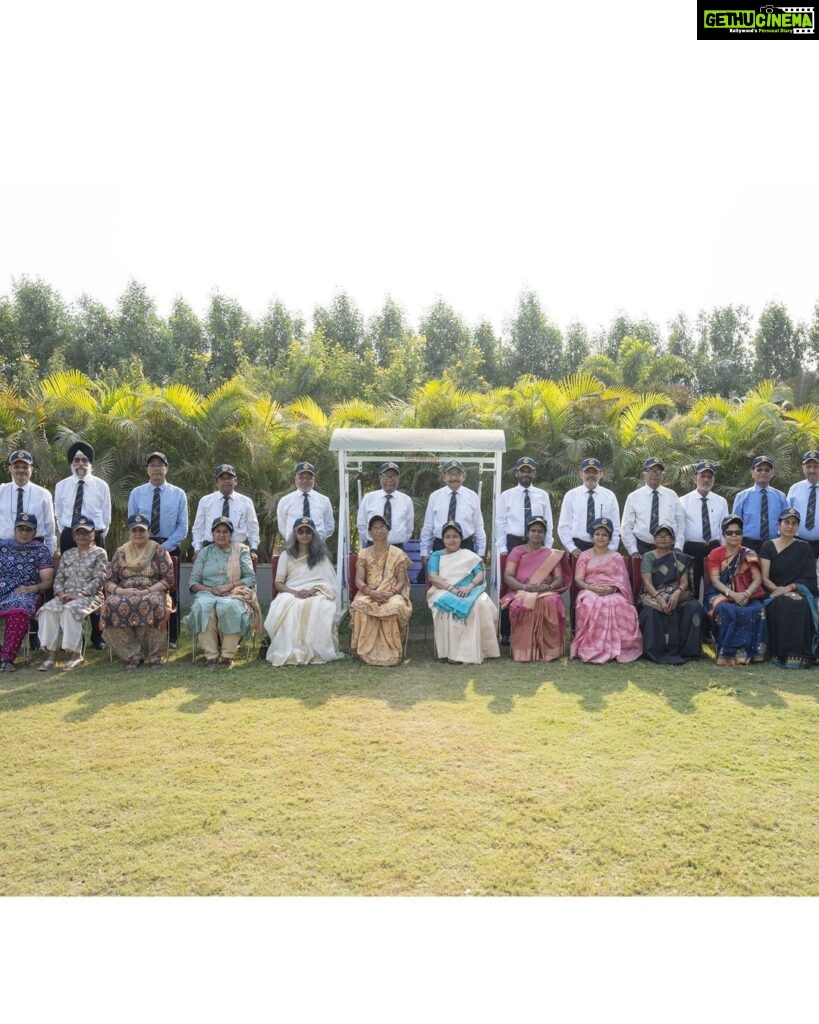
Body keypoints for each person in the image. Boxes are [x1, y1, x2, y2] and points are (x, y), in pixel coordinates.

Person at [53, 441, 111, 649]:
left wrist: (97, 536)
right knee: (70, 582)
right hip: (69, 536)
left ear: (90, 463)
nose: (80, 463)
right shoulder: (61, 486)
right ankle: (74, 637)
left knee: (97, 585)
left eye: (84, 460)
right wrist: (67, 533)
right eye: (77, 460)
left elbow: (106, 515)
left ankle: (98, 635)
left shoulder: (101, 485)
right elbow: (58, 514)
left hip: (96, 535)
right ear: (71, 463)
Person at [101, 512, 176, 670]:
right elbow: (108, 581)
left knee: (153, 602)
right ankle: (132, 655)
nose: (138, 534)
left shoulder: (159, 551)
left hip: (153, 590)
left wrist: (147, 590)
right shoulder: (121, 551)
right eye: (134, 530)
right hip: (125, 592)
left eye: (142, 530)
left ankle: (155, 655)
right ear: (129, 532)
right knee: (110, 605)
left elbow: (169, 580)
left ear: (148, 532)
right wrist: (122, 592)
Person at [127, 452, 188, 645]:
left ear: (166, 469)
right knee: (141, 587)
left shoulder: (178, 494)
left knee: (171, 591)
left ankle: (172, 637)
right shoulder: (137, 493)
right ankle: (144, 636)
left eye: (160, 465)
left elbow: (182, 527)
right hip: (141, 546)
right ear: (147, 470)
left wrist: (162, 548)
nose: (156, 469)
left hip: (169, 547)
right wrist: (145, 545)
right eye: (152, 465)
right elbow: (132, 523)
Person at [184, 516, 260, 668]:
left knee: (230, 607)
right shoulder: (204, 553)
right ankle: (210, 656)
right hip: (207, 592)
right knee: (202, 608)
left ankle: (227, 656)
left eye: (225, 532)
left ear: (230, 535)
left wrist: (228, 587)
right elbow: (193, 583)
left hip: (234, 591)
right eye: (217, 531)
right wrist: (210, 589)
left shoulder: (241, 551)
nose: (221, 535)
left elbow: (251, 578)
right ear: (212, 534)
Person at [264, 516, 340, 666]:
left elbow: (329, 582)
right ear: (295, 534)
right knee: (287, 604)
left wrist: (313, 590)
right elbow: (278, 583)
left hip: (317, 591)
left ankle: (315, 652)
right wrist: (294, 592)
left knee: (320, 606)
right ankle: (291, 651)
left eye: (308, 531)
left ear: (313, 535)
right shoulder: (286, 555)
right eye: (301, 531)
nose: (304, 534)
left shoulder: (321, 556)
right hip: (291, 591)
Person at [37, 516, 107, 672]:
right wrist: (60, 593)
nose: (82, 536)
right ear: (73, 536)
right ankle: (50, 656)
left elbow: (100, 578)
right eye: (78, 533)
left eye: (86, 532)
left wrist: (81, 594)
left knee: (70, 610)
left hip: (90, 596)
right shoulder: (68, 554)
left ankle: (76, 655)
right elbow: (59, 577)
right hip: (65, 595)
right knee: (47, 610)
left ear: (93, 534)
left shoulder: (99, 553)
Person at [495, 456, 553, 644]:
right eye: (522, 470)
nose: (525, 474)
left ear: (534, 473)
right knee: (509, 586)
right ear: (516, 473)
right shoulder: (507, 495)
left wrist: (548, 548)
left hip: (537, 544)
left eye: (529, 470)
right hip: (513, 543)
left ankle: (533, 628)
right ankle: (506, 632)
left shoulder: (542, 495)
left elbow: (549, 522)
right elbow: (501, 523)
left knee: (536, 583)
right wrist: (503, 547)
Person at [426, 520, 499, 665]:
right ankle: (454, 653)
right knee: (451, 605)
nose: (452, 540)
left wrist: (469, 587)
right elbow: (433, 577)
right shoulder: (436, 556)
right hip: (442, 589)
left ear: (461, 538)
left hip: (469, 589)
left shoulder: (469, 555)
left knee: (481, 604)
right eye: (448, 536)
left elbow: (479, 574)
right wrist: (452, 589)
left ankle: (481, 651)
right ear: (443, 539)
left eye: (455, 536)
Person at [570, 517, 642, 664]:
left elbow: (622, 580)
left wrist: (612, 589)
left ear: (609, 538)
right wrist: (592, 588)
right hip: (589, 590)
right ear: (592, 536)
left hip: (613, 591)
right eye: (597, 534)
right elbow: (578, 580)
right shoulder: (585, 555)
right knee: (590, 602)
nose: (600, 537)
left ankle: (619, 647)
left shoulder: (615, 557)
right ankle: (593, 647)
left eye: (604, 534)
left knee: (621, 604)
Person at [500, 516, 568, 663]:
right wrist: (524, 587)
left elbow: (558, 579)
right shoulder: (517, 551)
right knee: (523, 602)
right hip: (522, 590)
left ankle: (549, 651)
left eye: (540, 531)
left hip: (546, 591)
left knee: (550, 600)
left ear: (545, 534)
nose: (536, 534)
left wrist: (548, 587)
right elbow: (508, 576)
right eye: (533, 531)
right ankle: (525, 651)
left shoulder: (551, 554)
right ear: (528, 533)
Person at [703, 514, 767, 666]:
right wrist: (732, 594)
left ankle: (755, 653)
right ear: (723, 535)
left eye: (737, 532)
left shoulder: (749, 553)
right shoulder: (716, 553)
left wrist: (746, 594)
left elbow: (757, 579)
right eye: (729, 533)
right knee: (727, 609)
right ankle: (727, 654)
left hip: (746, 593)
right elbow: (715, 580)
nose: (734, 536)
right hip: (719, 592)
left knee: (758, 609)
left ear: (742, 534)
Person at [759, 507, 819, 669]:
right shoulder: (768, 546)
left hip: (799, 591)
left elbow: (809, 578)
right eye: (786, 522)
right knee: (785, 605)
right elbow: (764, 578)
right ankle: (781, 654)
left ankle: (800, 655)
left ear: (797, 527)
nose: (790, 526)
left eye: (794, 523)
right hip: (772, 593)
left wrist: (790, 589)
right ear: (779, 524)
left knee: (800, 604)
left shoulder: (804, 548)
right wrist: (780, 592)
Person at [350, 514, 412, 666]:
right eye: (375, 528)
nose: (379, 530)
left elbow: (401, 581)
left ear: (388, 530)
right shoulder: (364, 553)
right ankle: (365, 650)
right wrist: (371, 592)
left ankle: (392, 650)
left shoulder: (397, 553)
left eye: (382, 527)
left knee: (395, 606)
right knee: (360, 606)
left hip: (391, 592)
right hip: (368, 591)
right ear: (370, 532)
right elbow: (358, 580)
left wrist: (390, 593)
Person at [638, 523, 704, 664]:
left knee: (694, 607)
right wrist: (660, 599)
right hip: (654, 595)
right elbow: (647, 583)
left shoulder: (680, 558)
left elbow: (685, 582)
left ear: (673, 540)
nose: (663, 538)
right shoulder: (648, 557)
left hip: (677, 594)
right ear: (654, 540)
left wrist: (677, 594)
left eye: (667, 535)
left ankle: (689, 651)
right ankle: (656, 651)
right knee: (651, 612)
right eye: (659, 536)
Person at [0, 513, 54, 671]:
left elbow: (47, 581)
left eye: (28, 530)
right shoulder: (2, 546)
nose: (24, 533)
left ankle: (6, 658)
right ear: (15, 529)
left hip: (27, 592)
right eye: (20, 529)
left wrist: (33, 588)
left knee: (20, 609)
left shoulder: (40, 550)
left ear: (35, 532)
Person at [191, 464, 261, 568]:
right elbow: (198, 528)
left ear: (236, 481)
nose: (226, 481)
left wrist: (253, 549)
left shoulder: (246, 502)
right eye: (222, 478)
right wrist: (197, 550)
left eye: (229, 478)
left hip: (237, 550)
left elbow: (253, 528)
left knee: (237, 582)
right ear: (216, 482)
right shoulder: (205, 501)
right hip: (210, 550)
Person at [679, 460, 729, 601]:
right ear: (695, 478)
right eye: (703, 476)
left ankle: (711, 618)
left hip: (714, 549)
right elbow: (680, 529)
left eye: (709, 477)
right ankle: (694, 619)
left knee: (714, 585)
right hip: (691, 550)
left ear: (713, 480)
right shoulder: (682, 501)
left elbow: (724, 529)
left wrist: (726, 551)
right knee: (692, 586)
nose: (706, 479)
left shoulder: (721, 501)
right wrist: (678, 550)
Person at [420, 460, 486, 562]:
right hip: (440, 545)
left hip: (465, 545)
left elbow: (478, 526)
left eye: (458, 474)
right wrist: (424, 551)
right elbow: (428, 525)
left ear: (463, 476)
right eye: (450, 474)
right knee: (439, 577)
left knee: (465, 577)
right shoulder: (435, 496)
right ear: (444, 477)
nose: (454, 478)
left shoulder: (472, 496)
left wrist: (481, 551)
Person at [621, 457, 686, 557]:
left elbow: (681, 524)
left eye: (659, 471)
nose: (655, 474)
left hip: (668, 549)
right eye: (651, 471)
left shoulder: (672, 495)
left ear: (663, 475)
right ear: (644, 474)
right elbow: (626, 527)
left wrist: (678, 547)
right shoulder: (633, 497)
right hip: (642, 549)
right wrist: (633, 550)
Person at [557, 457, 621, 556]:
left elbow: (616, 527)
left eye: (594, 472)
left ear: (600, 474)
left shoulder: (609, 496)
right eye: (587, 471)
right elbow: (564, 526)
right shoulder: (571, 496)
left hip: (602, 548)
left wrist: (610, 550)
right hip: (577, 548)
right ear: (581, 474)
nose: (591, 475)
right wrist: (572, 548)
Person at [0, 450, 57, 554]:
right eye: (16, 467)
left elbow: (49, 526)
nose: (21, 470)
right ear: (10, 469)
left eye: (25, 467)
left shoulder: (43, 494)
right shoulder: (1, 491)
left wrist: (49, 553)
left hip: (34, 550)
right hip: (4, 550)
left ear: (31, 469)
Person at [731, 455, 788, 554]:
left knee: (772, 570)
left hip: (774, 544)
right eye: (759, 469)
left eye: (767, 470)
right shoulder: (742, 496)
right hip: (748, 545)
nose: (763, 472)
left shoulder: (781, 496)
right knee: (751, 569)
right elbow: (735, 524)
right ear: (752, 473)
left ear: (772, 473)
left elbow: (785, 522)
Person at [356, 462, 415, 550]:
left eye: (393, 476)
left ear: (398, 479)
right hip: (373, 547)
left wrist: (396, 539)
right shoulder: (369, 498)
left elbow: (409, 528)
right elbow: (361, 524)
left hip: (397, 548)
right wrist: (374, 539)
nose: (390, 480)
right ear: (380, 478)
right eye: (386, 476)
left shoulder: (406, 500)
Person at [276, 462, 335, 543]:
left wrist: (318, 540)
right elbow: (282, 527)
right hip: (293, 549)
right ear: (295, 479)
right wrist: (294, 541)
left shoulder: (324, 500)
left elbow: (329, 526)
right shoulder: (285, 501)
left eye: (308, 478)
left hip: (318, 549)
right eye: (301, 477)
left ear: (313, 479)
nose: (305, 480)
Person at [786, 451, 819, 568]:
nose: (812, 470)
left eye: (815, 466)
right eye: (808, 466)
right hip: (798, 542)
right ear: (803, 468)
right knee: (799, 577)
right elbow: (786, 517)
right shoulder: (794, 489)